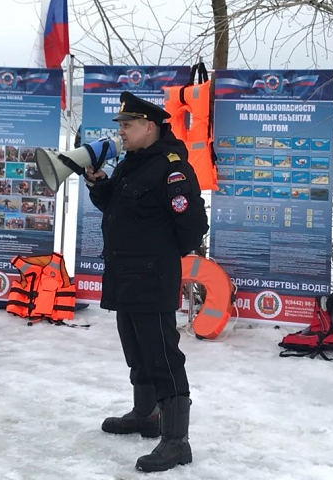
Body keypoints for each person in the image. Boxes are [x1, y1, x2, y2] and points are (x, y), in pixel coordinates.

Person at [85, 91, 208, 472]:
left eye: (127, 125)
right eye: (120, 125)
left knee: (163, 356)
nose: (120, 132)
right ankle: (146, 414)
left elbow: (192, 228)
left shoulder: (172, 168)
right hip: (125, 275)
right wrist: (100, 184)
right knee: (136, 349)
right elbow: (119, 208)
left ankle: (176, 441)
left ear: (149, 127)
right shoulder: (134, 163)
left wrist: (157, 254)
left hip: (151, 277)